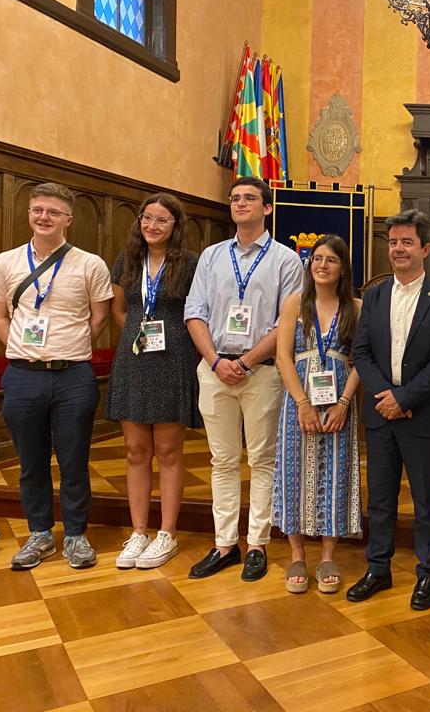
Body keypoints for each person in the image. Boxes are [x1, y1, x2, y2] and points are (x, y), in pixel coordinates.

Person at [0, 182, 112, 570]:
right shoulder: (5, 262)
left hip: (73, 376)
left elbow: (99, 315)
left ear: (68, 219)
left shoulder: (90, 264)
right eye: (38, 209)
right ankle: (39, 534)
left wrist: (68, 346)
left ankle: (75, 535)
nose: (44, 217)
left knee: (74, 460)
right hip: (22, 375)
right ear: (29, 214)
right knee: (31, 462)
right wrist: (22, 346)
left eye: (53, 212)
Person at [184, 177, 304, 582]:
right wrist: (217, 361)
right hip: (215, 370)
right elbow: (194, 312)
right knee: (221, 460)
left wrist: (248, 361)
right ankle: (223, 544)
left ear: (267, 208)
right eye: (235, 199)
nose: (240, 204)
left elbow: (286, 324)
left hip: (262, 373)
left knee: (262, 460)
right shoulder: (212, 256)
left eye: (250, 198)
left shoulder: (287, 260)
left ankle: (257, 543)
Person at [348, 209, 430, 611]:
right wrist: (385, 398)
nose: (398, 249)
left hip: (422, 416)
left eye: (407, 242)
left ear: (425, 248)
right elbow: (361, 353)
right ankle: (378, 568)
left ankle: (429, 573)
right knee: (380, 498)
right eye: (393, 242)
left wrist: (405, 398)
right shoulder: (374, 295)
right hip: (380, 415)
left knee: (427, 500)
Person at [106, 193, 201, 570]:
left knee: (169, 452)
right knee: (134, 451)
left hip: (174, 359)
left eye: (162, 220)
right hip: (134, 361)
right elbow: (119, 309)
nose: (152, 226)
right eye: (147, 218)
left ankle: (167, 533)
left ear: (176, 226)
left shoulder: (190, 264)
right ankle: (138, 531)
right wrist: (137, 338)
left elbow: (197, 311)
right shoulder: (127, 260)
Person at [273, 234, 362, 594]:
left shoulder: (356, 307)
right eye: (317, 258)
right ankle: (297, 553)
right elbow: (282, 357)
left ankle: (327, 555)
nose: (322, 265)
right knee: (293, 472)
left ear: (343, 269)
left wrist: (343, 402)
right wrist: (302, 403)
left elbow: (362, 359)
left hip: (340, 400)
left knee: (336, 476)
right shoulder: (296, 302)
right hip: (299, 400)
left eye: (331, 260)